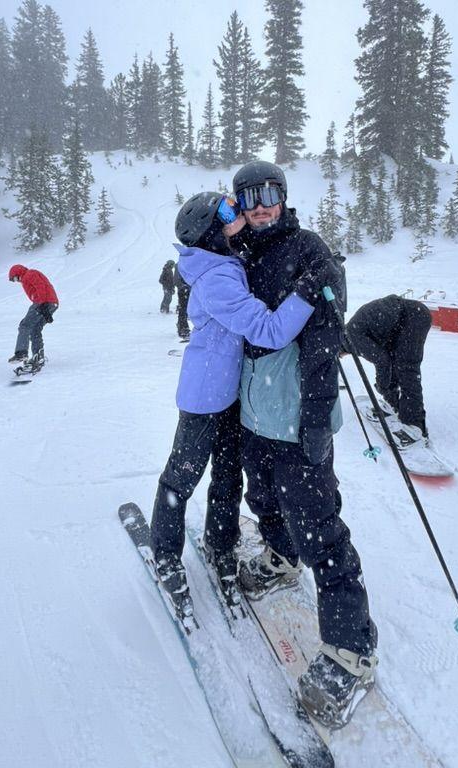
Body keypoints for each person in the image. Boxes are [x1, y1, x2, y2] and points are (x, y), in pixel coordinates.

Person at [231, 160, 378, 728]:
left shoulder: (309, 251)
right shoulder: (242, 252)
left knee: (318, 524)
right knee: (263, 497)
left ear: (284, 196)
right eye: (249, 197)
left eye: (270, 193)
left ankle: (351, 648)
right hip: (255, 411)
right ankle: (279, 555)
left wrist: (316, 420)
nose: (261, 205)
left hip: (297, 415)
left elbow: (324, 346)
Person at [150, 191, 334, 614]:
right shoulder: (216, 278)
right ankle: (165, 553)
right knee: (182, 477)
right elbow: (269, 330)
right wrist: (306, 292)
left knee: (229, 476)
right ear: (210, 230)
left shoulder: (226, 262)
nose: (238, 212)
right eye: (227, 210)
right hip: (203, 398)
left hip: (230, 394)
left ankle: (221, 542)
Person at [345, 295, 433, 447]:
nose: (342, 357)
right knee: (396, 362)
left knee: (407, 369)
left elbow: (382, 361)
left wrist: (383, 387)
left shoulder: (352, 338)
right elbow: (386, 359)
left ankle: (415, 426)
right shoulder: (352, 332)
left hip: (412, 317)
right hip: (405, 319)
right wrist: (388, 392)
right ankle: (395, 405)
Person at [8, 264, 59, 366]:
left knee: (24, 325)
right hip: (52, 303)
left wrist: (43, 304)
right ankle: (38, 357)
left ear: (18, 273)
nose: (16, 281)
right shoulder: (28, 276)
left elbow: (40, 286)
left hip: (43, 302)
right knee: (35, 330)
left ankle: (21, 352)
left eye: (15, 278)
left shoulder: (29, 274)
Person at [173, 263, 191, 340]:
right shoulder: (181, 264)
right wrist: (183, 286)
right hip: (184, 290)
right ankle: (183, 329)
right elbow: (176, 280)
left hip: (186, 289)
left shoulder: (182, 264)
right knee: (183, 309)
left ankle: (182, 327)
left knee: (184, 309)